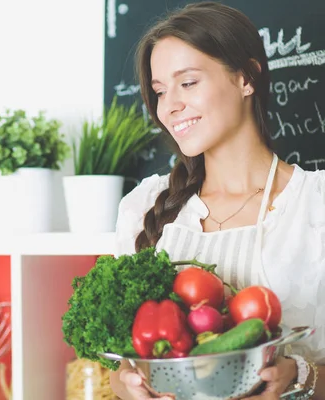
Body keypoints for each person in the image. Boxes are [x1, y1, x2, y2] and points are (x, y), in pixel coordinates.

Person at [108, 2, 325, 399]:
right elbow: (121, 369)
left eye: (187, 83)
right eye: (159, 91)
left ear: (246, 77)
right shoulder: (143, 208)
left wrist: (301, 376)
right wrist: (129, 387)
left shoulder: (317, 205)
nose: (168, 106)